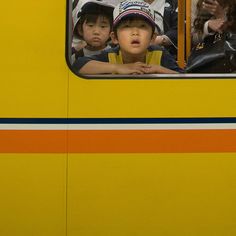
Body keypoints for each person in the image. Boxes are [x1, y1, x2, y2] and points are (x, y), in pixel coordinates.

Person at [72, 0, 182, 75]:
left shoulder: (160, 54)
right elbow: (78, 65)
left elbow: (185, 77)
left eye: (142, 26)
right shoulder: (111, 56)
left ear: (152, 38)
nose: (135, 32)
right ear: (114, 38)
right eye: (127, 27)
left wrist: (159, 70)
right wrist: (119, 68)